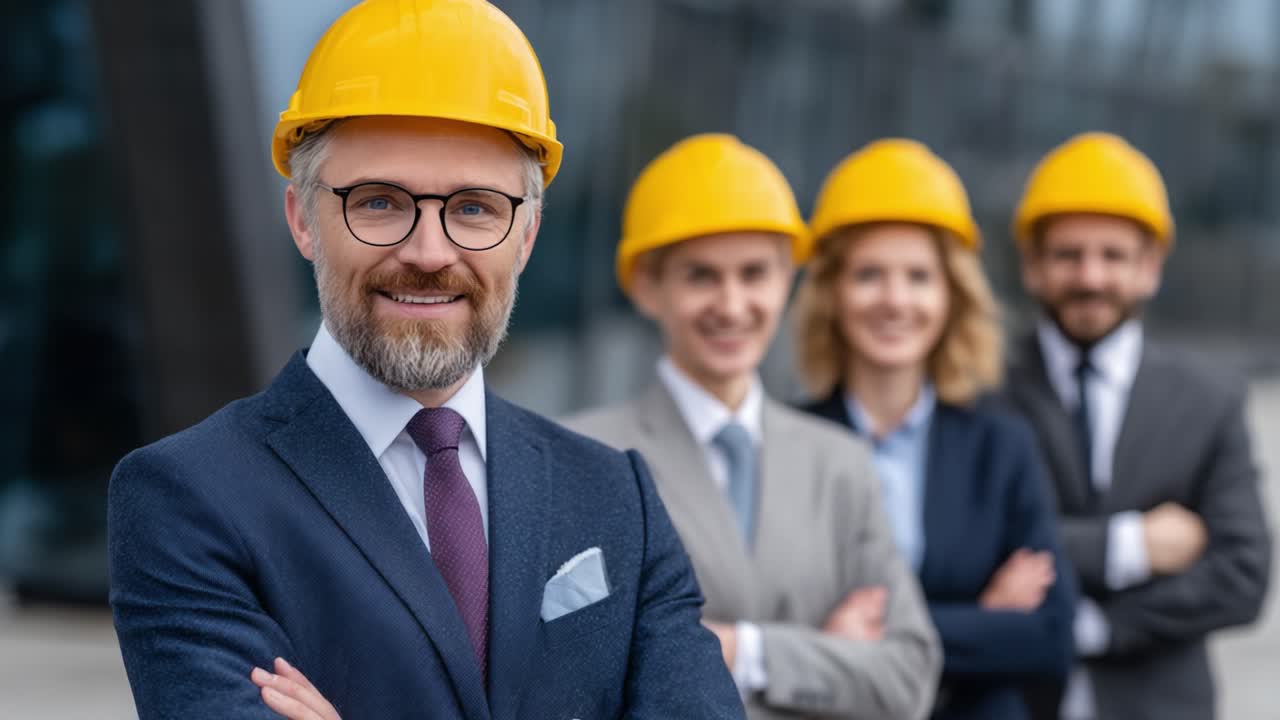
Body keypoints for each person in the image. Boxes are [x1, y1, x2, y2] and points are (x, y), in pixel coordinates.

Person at [106, 2, 744, 719]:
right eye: (378, 202)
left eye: (474, 208)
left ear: (526, 235)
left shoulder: (615, 498)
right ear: (302, 220)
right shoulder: (188, 499)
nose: (429, 253)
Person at [562, 133, 941, 720]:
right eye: (701, 276)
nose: (733, 305)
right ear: (647, 287)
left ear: (788, 280)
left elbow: (909, 676)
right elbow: (576, 672)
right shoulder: (581, 455)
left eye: (755, 273)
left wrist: (745, 650)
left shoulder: (839, 462)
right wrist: (823, 654)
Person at [795, 139, 1077, 719]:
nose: (896, 300)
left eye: (919, 276)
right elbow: (775, 627)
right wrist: (984, 616)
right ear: (832, 295)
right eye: (870, 274)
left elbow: (1050, 636)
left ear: (952, 296)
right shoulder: (787, 442)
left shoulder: (1002, 447)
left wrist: (864, 637)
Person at [1002, 131, 1272, 720]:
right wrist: (1132, 545)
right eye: (1068, 254)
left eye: (1113, 256)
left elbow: (1243, 575)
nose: (1091, 276)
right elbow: (974, 550)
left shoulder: (1211, 400)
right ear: (1032, 266)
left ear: (1150, 268)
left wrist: (1097, 627)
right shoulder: (980, 392)